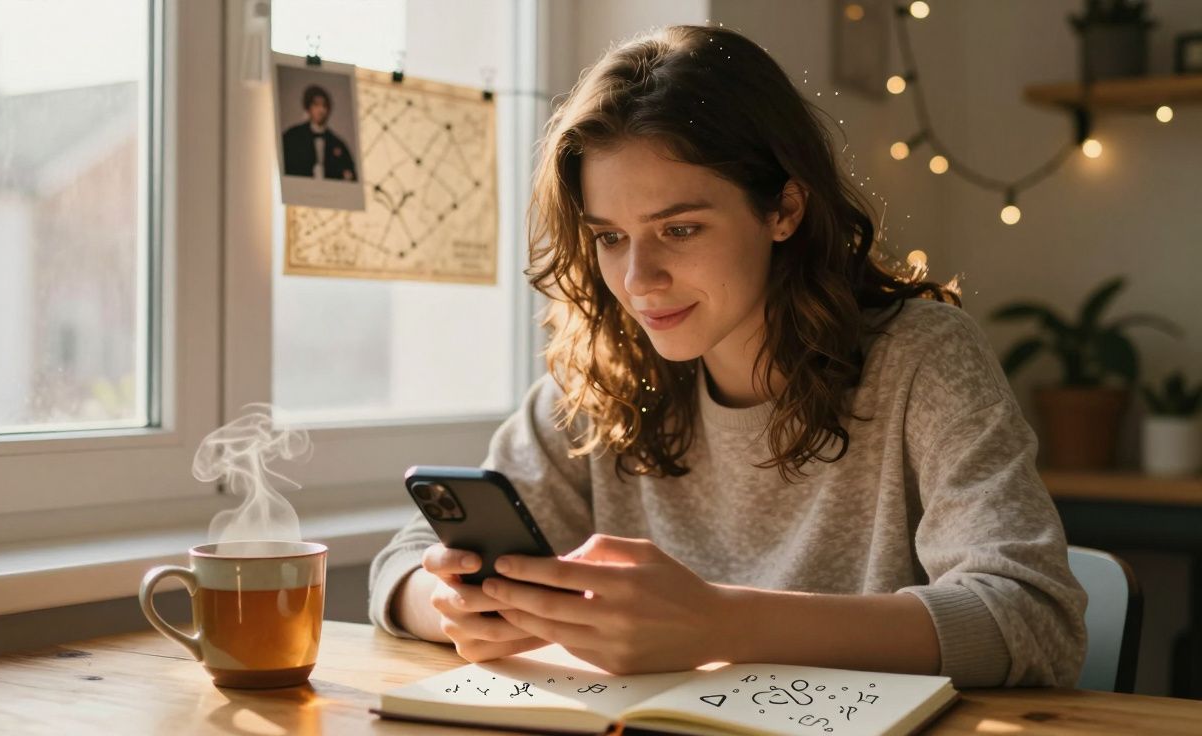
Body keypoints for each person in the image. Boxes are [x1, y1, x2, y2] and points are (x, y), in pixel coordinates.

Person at [368, 24, 1086, 688]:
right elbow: (400, 566)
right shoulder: (602, 376)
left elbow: (1032, 618)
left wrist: (718, 624)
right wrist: (455, 606)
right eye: (611, 237)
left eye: (678, 229)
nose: (638, 281)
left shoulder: (923, 359)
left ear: (785, 210)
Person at [282, 84, 357, 181]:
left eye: (324, 106)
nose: (321, 110)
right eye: (316, 105)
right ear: (308, 107)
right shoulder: (292, 137)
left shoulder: (337, 143)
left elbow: (350, 176)